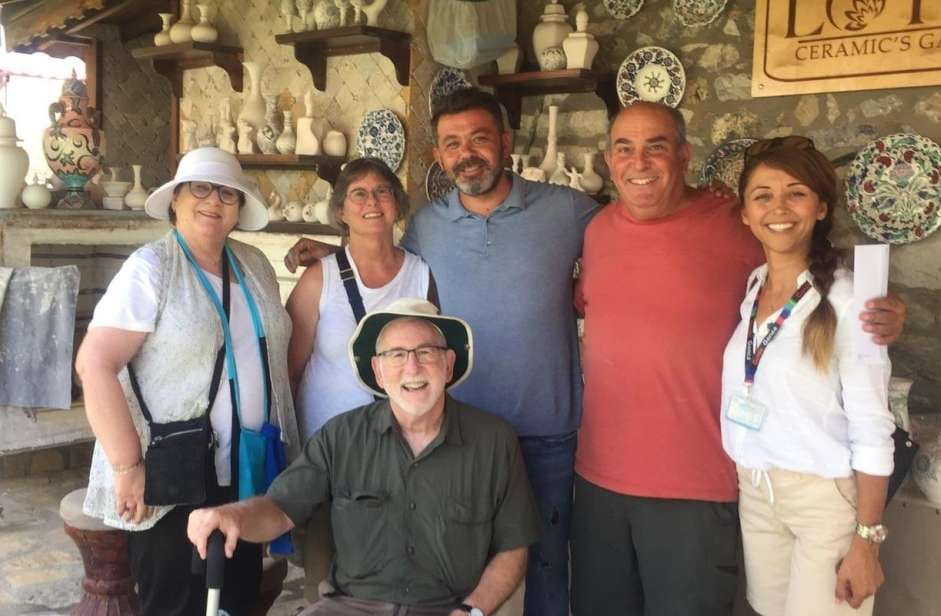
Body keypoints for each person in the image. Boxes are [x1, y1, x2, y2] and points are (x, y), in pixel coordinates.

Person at [570, 103, 906, 615]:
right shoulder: (597, 232)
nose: (639, 162)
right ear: (608, 160)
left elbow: (809, 262)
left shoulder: (732, 225)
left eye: (656, 147)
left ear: (684, 155)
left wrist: (880, 310)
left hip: (700, 483)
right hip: (606, 478)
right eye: (624, 148)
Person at [285, 88, 600, 615]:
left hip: (544, 428)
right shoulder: (428, 226)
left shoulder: (566, 209)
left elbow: (628, 233)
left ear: (505, 141)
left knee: (545, 561)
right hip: (456, 435)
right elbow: (379, 254)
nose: (466, 153)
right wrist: (333, 255)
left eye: (479, 138)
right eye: (452, 144)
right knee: (456, 567)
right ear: (438, 155)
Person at [186, 299, 539, 616]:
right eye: (396, 355)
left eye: (426, 352)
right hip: (349, 607)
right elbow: (280, 509)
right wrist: (232, 516)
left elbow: (514, 548)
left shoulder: (494, 441)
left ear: (448, 365)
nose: (412, 367)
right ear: (378, 372)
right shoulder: (340, 436)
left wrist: (472, 611)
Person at [76, 147, 298, 616]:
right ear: (175, 199)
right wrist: (126, 466)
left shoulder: (254, 264)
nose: (213, 201)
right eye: (200, 188)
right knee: (176, 602)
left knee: (237, 600)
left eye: (227, 194)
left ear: (239, 209)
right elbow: (94, 364)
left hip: (244, 468)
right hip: (174, 473)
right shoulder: (151, 268)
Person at [723, 136, 893, 615]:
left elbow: (872, 428)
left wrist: (867, 540)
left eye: (795, 193)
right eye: (763, 195)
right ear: (745, 214)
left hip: (824, 502)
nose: (778, 208)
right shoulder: (754, 287)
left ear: (820, 208)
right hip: (757, 490)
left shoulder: (850, 300)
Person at [285, 157, 435, 601]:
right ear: (341, 211)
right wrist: (295, 454)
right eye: (359, 194)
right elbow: (289, 370)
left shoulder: (421, 275)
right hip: (328, 452)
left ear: (398, 204)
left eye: (382, 191)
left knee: (391, 568)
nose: (372, 201)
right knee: (325, 574)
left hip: (400, 455)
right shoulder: (320, 278)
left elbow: (432, 362)